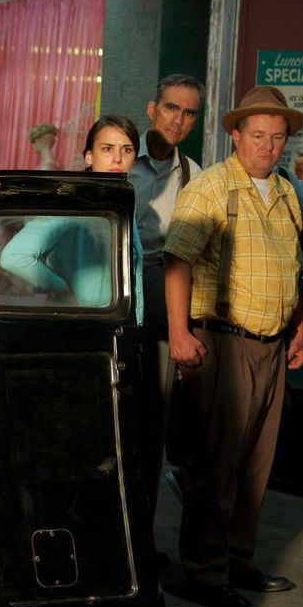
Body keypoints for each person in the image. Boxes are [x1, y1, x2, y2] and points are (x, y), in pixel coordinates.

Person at [164, 86, 303, 607]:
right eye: (257, 136)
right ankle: (204, 571)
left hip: (272, 346)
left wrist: (298, 327)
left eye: (276, 138)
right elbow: (177, 262)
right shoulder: (209, 188)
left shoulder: (286, 192)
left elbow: (289, 266)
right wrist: (180, 333)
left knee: (257, 464)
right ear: (235, 135)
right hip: (223, 343)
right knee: (216, 463)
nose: (267, 147)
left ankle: (238, 560)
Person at [130, 74, 204, 522]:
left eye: (189, 112)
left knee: (152, 419)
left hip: (163, 296)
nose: (178, 119)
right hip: (114, 293)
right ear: (152, 108)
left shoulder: (193, 173)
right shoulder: (118, 154)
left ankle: (142, 533)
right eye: (172, 107)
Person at [1, 115, 143, 320]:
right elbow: (13, 256)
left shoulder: (125, 203)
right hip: (83, 325)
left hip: (122, 329)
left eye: (127, 150)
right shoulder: (71, 203)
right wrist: (61, 289)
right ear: (89, 157)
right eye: (107, 149)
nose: (118, 158)